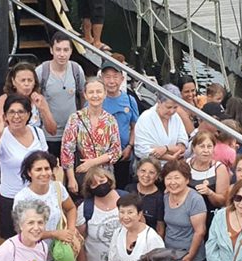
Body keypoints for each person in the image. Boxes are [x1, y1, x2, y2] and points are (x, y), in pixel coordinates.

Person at [0, 94, 49, 240]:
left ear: (28, 114)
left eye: (21, 112)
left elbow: (45, 161)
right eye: (11, 112)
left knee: (37, 236)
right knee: (11, 240)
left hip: (37, 194)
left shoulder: (37, 132)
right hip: (11, 197)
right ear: (5, 116)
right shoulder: (1, 136)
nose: (16, 116)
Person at [60, 77, 121, 194]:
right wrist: (71, 178)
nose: (95, 95)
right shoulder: (75, 118)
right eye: (91, 92)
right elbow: (67, 150)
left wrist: (92, 162)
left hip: (105, 175)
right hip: (83, 175)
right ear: (85, 95)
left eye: (99, 92)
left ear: (105, 94)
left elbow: (116, 151)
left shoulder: (110, 120)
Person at [35, 32, 86, 159]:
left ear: (71, 51)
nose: (62, 54)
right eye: (58, 49)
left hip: (72, 134)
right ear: (51, 50)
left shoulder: (76, 70)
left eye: (65, 50)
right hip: (48, 135)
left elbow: (83, 95)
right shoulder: (41, 71)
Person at [76, 167, 124, 261]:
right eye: (94, 184)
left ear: (109, 180)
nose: (99, 185)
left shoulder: (126, 199)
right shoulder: (85, 208)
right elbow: (79, 242)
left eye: (102, 181)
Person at [161, 160, 207, 261]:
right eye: (168, 178)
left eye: (177, 178)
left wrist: (190, 256)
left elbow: (200, 231)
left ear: (187, 179)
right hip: (170, 255)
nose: (172, 182)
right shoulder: (166, 197)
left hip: (191, 257)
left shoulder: (195, 199)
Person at [101, 60, 139, 189]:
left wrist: (130, 146)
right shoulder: (96, 100)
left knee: (122, 187)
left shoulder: (130, 100)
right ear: (101, 78)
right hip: (102, 156)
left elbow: (134, 126)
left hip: (124, 154)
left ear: (122, 79)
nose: (111, 81)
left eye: (115, 77)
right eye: (107, 77)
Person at [0, 62, 56, 135]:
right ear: (13, 82)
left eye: (30, 80)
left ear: (34, 82)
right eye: (23, 80)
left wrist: (43, 109)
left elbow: (53, 131)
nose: (26, 84)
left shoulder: (39, 99)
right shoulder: (4, 99)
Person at [134, 86, 188, 166]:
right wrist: (169, 156)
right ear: (159, 102)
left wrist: (165, 149)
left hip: (172, 166)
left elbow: (183, 144)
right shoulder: (145, 118)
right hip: (150, 166)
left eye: (175, 107)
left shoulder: (176, 117)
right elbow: (141, 150)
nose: (172, 111)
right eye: (168, 107)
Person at [187, 131, 231, 220]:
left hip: (210, 215)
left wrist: (209, 193)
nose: (206, 150)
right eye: (202, 146)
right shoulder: (186, 164)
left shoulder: (219, 168)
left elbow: (223, 201)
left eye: (209, 146)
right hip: (188, 214)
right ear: (194, 148)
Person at [124, 157, 165, 235]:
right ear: (137, 172)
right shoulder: (128, 189)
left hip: (149, 238)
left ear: (157, 176)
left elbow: (160, 227)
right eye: (143, 171)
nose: (146, 175)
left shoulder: (160, 198)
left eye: (151, 172)